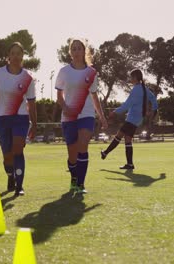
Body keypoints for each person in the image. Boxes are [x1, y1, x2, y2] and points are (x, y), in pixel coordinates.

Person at [55, 39, 108, 195]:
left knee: (83, 146)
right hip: (69, 116)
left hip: (86, 114)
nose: (77, 51)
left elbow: (94, 96)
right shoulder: (64, 72)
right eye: (74, 48)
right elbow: (59, 96)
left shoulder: (91, 73)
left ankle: (81, 183)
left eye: (79, 48)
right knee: (72, 154)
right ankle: (73, 179)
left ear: (84, 51)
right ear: (70, 52)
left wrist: (101, 116)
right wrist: (66, 108)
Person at [0, 42, 37, 197]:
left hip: (21, 118)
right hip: (3, 118)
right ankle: (11, 176)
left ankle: (19, 186)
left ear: (23, 56)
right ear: (8, 56)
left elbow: (31, 102)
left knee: (18, 149)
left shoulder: (28, 77)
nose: (16, 56)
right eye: (13, 53)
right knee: (7, 156)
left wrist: (34, 124)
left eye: (19, 53)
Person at [101, 69, 158, 169]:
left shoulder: (136, 89)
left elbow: (127, 105)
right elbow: (153, 100)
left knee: (119, 136)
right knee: (127, 140)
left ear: (135, 78)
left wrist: (115, 111)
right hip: (137, 119)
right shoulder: (145, 88)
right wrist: (154, 111)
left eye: (131, 77)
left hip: (132, 118)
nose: (130, 79)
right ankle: (129, 164)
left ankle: (105, 153)